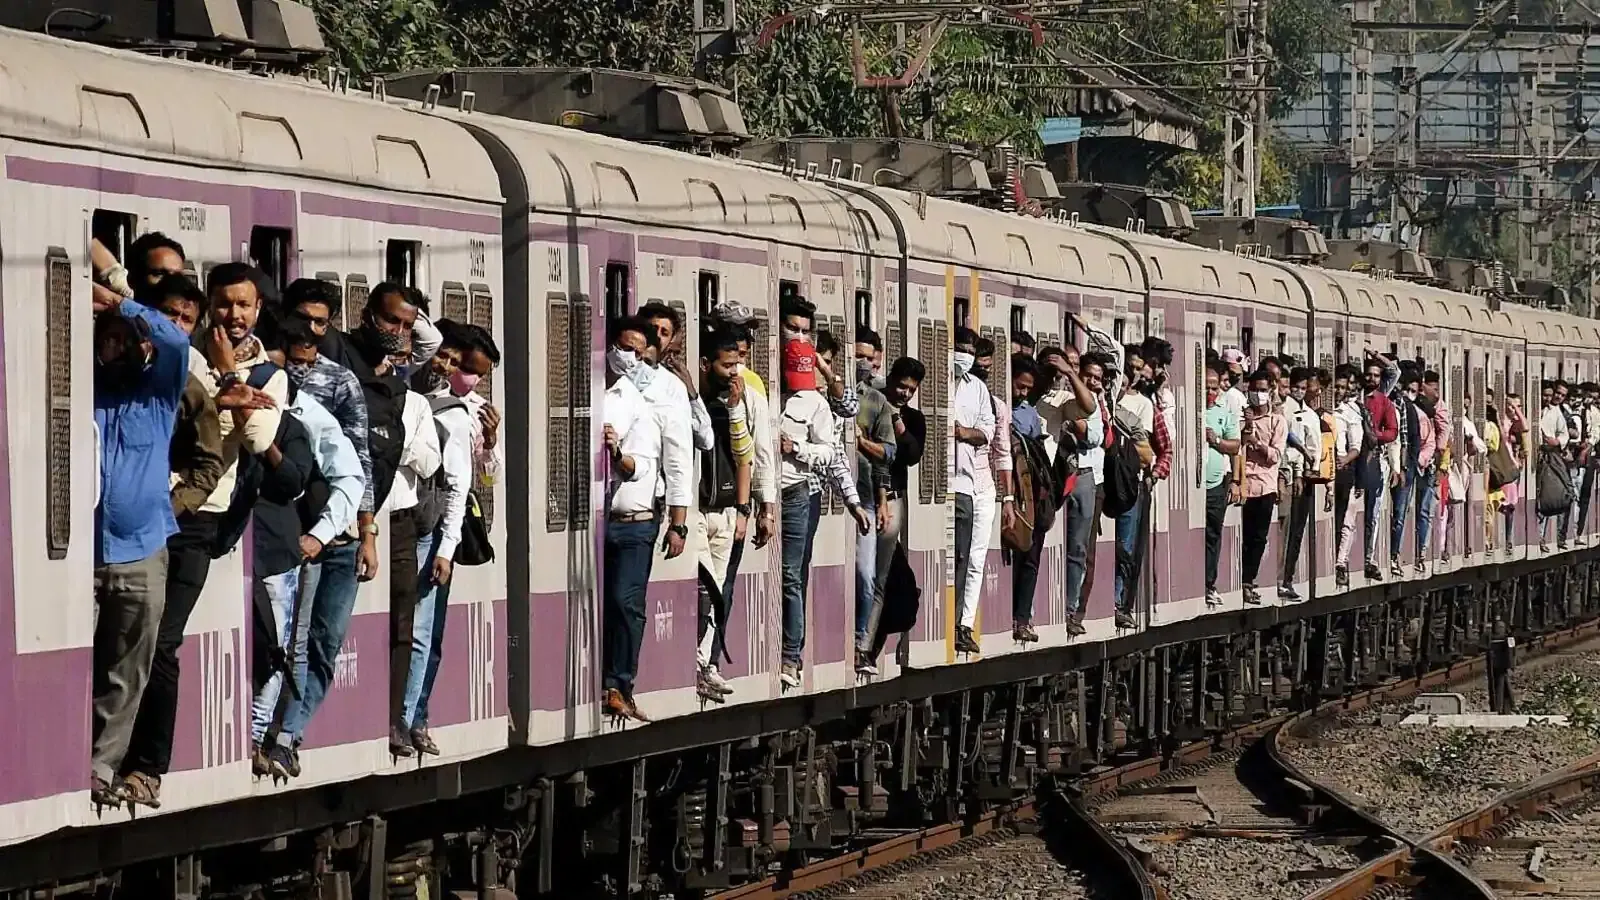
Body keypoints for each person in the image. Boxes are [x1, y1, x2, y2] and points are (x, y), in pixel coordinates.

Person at [282, 282, 437, 770]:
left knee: (327, 641)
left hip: (350, 527)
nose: (398, 333)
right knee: (295, 636)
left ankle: (292, 727)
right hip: (303, 522)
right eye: (390, 321)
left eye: (406, 325)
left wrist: (367, 531)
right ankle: (281, 734)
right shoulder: (335, 354)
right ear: (366, 315)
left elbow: (363, 464)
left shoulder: (385, 382)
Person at [118, 273, 227, 807]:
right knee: (124, 639)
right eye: (168, 316)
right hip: (124, 526)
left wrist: (171, 505)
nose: (175, 328)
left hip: (184, 529)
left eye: (186, 320)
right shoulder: (117, 367)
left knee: (161, 642)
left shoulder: (189, 382)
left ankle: (148, 766)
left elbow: (209, 464)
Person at [88, 256, 191, 806]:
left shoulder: (158, 393)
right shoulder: (83, 390)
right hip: (79, 556)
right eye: (111, 340)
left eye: (130, 340)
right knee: (76, 663)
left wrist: (122, 304)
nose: (122, 348)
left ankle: (100, 769)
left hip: (141, 550)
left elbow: (176, 343)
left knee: (128, 672)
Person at [396, 320, 479, 749]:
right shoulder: (402, 397)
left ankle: (413, 717)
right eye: (438, 355)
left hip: (428, 535)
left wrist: (447, 548)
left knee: (424, 631)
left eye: (450, 361)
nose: (441, 366)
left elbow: (457, 486)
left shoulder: (453, 416)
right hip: (398, 528)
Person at [601, 317, 664, 721]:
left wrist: (618, 454)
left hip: (635, 523)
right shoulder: (597, 390)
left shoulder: (633, 399)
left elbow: (643, 464)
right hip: (598, 522)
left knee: (626, 603)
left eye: (639, 354)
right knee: (603, 603)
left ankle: (620, 683)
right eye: (625, 348)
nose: (630, 358)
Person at [692, 327, 754, 701]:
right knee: (704, 589)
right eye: (726, 364)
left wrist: (744, 509)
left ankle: (706, 663)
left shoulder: (737, 402)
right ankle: (698, 665)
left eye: (737, 364)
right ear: (706, 364)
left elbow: (744, 453)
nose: (734, 372)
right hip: (698, 509)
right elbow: (702, 441)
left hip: (727, 510)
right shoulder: (694, 401)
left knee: (718, 593)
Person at [778, 338, 836, 689]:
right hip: (766, 494)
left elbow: (828, 452)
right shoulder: (768, 391)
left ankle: (790, 654)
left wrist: (796, 447)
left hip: (797, 494)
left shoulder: (815, 403)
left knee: (791, 575)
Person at [713, 305, 776, 610]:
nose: (735, 368)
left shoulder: (751, 386)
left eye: (740, 356)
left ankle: (710, 653)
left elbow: (758, 451)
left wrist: (764, 508)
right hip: (705, 500)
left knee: (723, 583)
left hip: (734, 498)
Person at [865, 357, 926, 667]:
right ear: (890, 380)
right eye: (901, 386)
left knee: (893, 585)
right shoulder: (870, 404)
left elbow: (912, 454)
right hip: (864, 499)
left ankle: (869, 646)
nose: (905, 394)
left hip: (892, 501)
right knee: (872, 577)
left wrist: (896, 417)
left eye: (911, 390)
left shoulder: (913, 419)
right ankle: (864, 646)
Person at [852, 327, 897, 674]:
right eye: (858, 356)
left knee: (867, 574)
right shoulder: (833, 394)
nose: (863, 363)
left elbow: (888, 455)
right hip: (841, 498)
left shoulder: (877, 401)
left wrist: (882, 500)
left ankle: (859, 642)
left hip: (866, 496)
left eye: (869, 357)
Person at [951, 328, 998, 654]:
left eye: (969, 350)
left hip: (968, 484)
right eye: (961, 349)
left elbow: (988, 433)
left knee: (968, 557)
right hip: (946, 485)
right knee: (955, 557)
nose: (965, 355)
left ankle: (961, 624)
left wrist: (963, 432)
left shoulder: (977, 389)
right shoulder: (938, 382)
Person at [1060, 352, 1107, 633]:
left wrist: (1074, 422)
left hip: (1086, 477)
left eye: (1095, 377)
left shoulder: (1093, 405)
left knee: (1079, 548)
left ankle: (1071, 608)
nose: (1089, 380)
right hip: (1059, 474)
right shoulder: (1060, 396)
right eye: (1085, 373)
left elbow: (1093, 436)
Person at [1111, 347, 1156, 628]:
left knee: (1125, 546)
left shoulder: (1134, 413)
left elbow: (1146, 453)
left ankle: (1119, 601)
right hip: (1105, 483)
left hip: (1127, 485)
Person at [1239, 370, 1287, 604]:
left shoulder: (1277, 421)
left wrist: (1256, 442)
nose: (1257, 395)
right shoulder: (1241, 417)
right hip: (1242, 483)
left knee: (1257, 538)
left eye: (1262, 390)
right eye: (1254, 389)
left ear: (1270, 392)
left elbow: (1275, 456)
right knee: (1242, 535)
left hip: (1265, 486)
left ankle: (1248, 580)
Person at [1202, 358, 1242, 607]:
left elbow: (1235, 445)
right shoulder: (1194, 409)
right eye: (1206, 386)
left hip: (1216, 482)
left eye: (1214, 387)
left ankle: (1209, 582)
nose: (1210, 392)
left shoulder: (1224, 411)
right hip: (1195, 484)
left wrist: (1216, 440)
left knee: (1212, 533)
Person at [1278, 367, 1320, 599]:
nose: (1299, 391)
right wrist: (1299, 474)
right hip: (1292, 476)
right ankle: (1283, 579)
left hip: (1303, 477)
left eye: (1304, 388)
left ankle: (1288, 578)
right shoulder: (1286, 410)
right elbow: (1289, 443)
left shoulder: (1308, 413)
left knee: (1296, 532)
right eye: (1295, 387)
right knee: (1288, 530)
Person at [1359, 353, 1401, 579]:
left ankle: (1368, 557)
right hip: (1354, 459)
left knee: (1372, 512)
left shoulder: (1383, 401)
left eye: (1376, 375)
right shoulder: (1354, 399)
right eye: (1368, 374)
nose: (1372, 379)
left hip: (1375, 460)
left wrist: (1376, 435)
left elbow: (1392, 431)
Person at [1331, 364, 1367, 587]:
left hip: (1344, 471)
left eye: (1342, 388)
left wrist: (1344, 459)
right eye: (1335, 387)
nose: (1338, 391)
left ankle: (1340, 563)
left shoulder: (1351, 414)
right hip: (1325, 472)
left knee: (1344, 520)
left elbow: (1357, 446)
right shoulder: (1325, 412)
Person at [1539, 380, 1571, 552]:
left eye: (1561, 395)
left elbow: (1564, 435)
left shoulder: (1557, 413)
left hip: (1548, 458)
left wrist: (1556, 441)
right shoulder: (1536, 408)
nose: (1557, 397)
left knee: (1546, 496)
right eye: (1555, 394)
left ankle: (1542, 537)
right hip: (1534, 456)